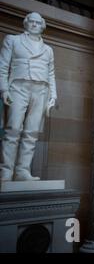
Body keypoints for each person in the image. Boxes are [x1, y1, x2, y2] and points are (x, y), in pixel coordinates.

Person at [0, 12, 56, 181]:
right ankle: (5, 171)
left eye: (37, 22)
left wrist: (53, 96)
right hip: (18, 87)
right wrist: (4, 90)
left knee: (31, 132)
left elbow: (51, 74)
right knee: (13, 130)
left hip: (40, 90)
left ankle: (22, 170)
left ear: (42, 26)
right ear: (25, 24)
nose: (34, 24)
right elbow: (3, 67)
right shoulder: (13, 40)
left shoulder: (48, 50)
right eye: (31, 21)